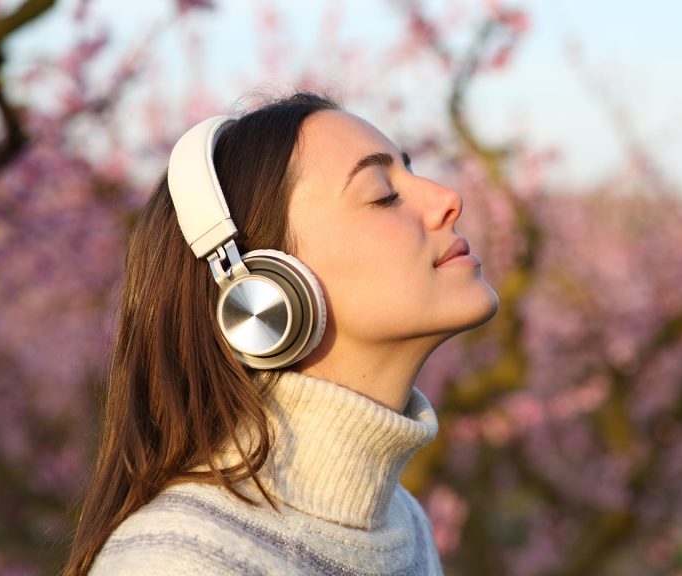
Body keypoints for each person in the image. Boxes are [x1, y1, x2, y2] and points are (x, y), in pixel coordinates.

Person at [62, 92, 499, 575]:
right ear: (263, 291)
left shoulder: (403, 525)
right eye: (382, 194)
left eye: (410, 171)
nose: (447, 198)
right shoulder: (178, 560)